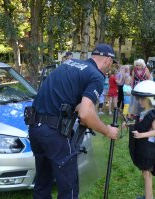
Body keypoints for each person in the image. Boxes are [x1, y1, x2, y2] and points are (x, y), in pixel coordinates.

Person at [29, 44, 119, 199]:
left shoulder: (69, 64)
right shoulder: (96, 76)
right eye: (111, 63)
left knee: (43, 181)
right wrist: (107, 130)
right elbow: (85, 114)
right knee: (68, 186)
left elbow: (71, 101)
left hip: (35, 127)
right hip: (55, 133)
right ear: (108, 61)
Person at [128, 80, 155, 199]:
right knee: (146, 173)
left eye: (142, 99)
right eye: (138, 99)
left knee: (146, 173)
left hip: (148, 150)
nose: (139, 101)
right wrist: (129, 125)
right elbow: (140, 124)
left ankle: (149, 197)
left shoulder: (152, 115)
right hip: (144, 148)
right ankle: (149, 196)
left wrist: (141, 135)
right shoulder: (144, 112)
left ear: (152, 99)